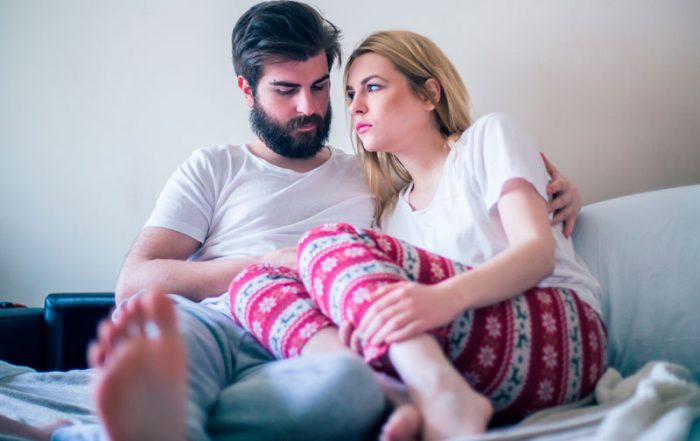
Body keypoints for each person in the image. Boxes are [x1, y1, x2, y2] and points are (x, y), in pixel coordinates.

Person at [0, 2, 581, 440]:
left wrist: (554, 189)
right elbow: (135, 282)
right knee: (174, 347)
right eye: (285, 91)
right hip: (215, 326)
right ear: (245, 89)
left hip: (315, 346)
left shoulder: (376, 177)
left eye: (322, 87)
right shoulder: (214, 166)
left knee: (351, 391)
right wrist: (273, 262)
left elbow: (455, 190)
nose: (311, 108)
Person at [228, 30, 606, 441]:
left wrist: (440, 301)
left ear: (429, 94)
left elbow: (538, 254)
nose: (355, 106)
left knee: (325, 241)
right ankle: (399, 398)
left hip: (563, 333)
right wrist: (363, 314)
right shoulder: (389, 215)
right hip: (466, 355)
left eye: (372, 87)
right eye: (351, 93)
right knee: (253, 282)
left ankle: (440, 393)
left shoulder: (487, 139)